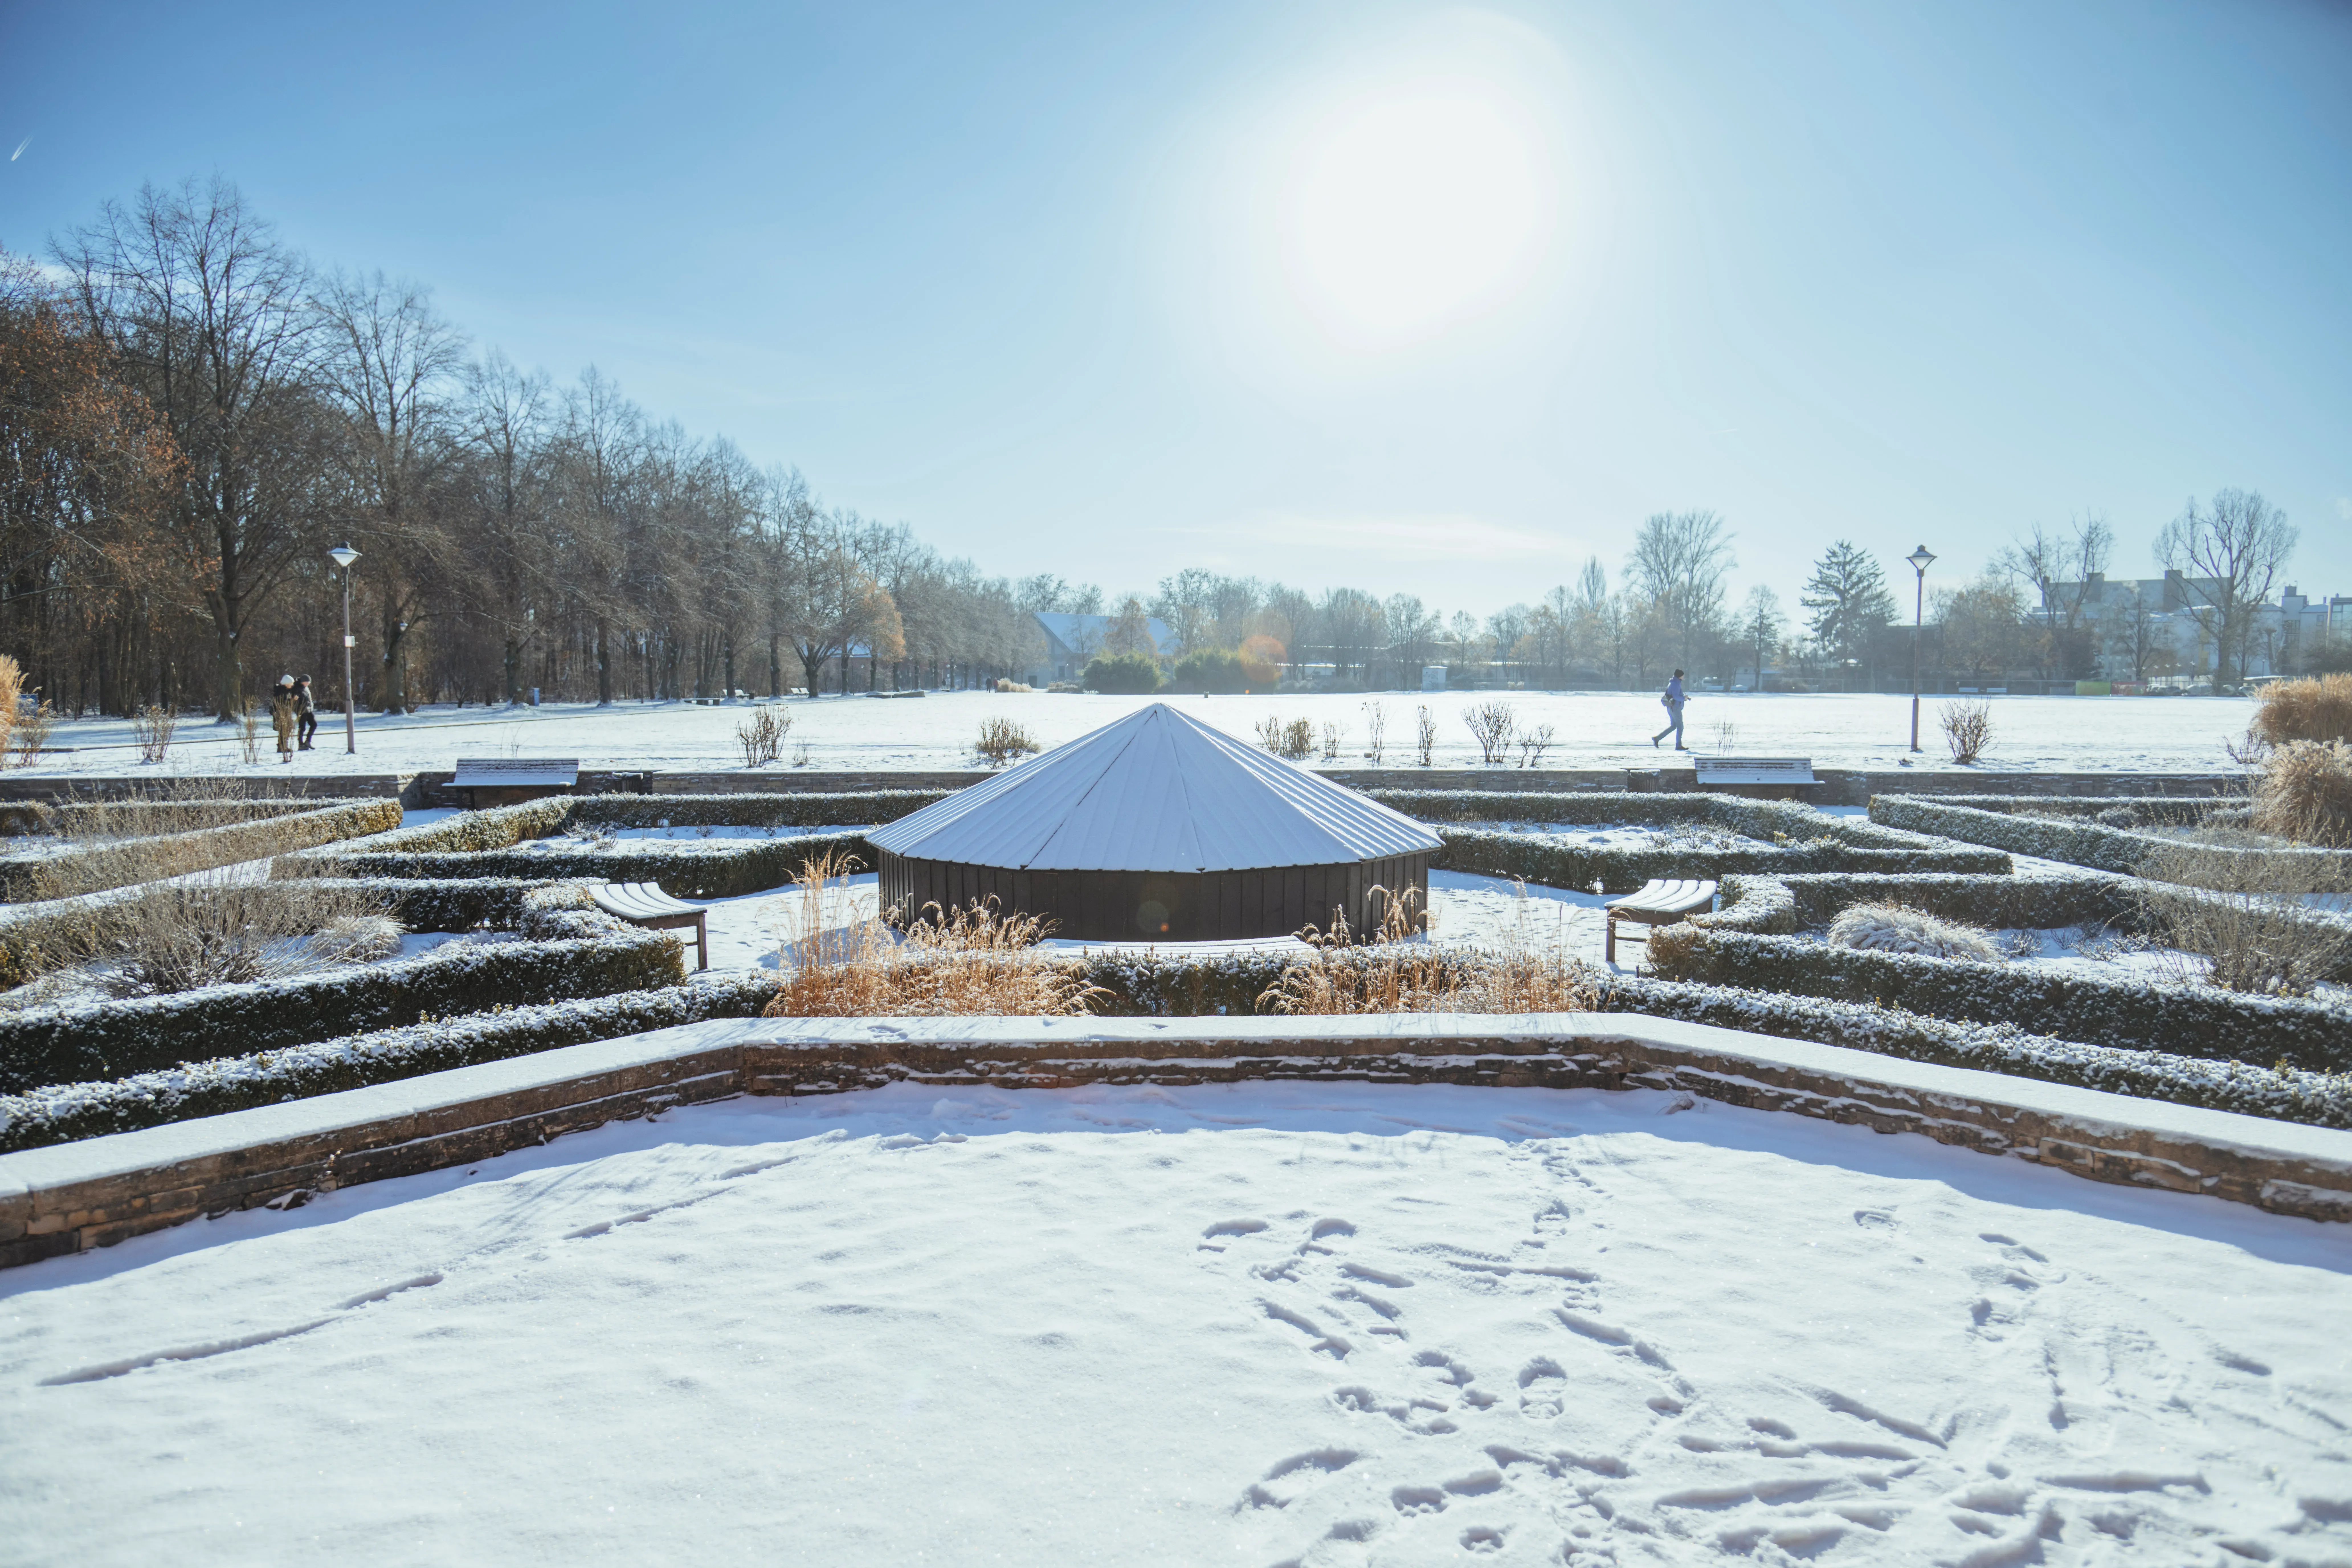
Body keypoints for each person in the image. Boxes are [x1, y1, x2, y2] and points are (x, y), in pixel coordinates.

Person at [1651, 668, 1688, 750]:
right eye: (1683, 675)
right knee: (1680, 727)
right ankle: (1679, 745)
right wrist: (1684, 698)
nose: (1684, 677)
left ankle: (1657, 739)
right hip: (1675, 708)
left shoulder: (1673, 683)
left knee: (1674, 726)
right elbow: (1676, 697)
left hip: (1671, 708)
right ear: (1680, 676)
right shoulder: (1676, 684)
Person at [269, 675, 298, 764]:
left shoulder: (285, 691)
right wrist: (293, 700)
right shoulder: (281, 692)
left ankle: (283, 745)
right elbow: (282, 703)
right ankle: (282, 746)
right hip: (282, 714)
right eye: (291, 683)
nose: (292, 685)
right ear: (287, 683)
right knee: (284, 730)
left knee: (287, 729)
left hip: (285, 713)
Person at [294, 674, 318, 750]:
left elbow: (309, 699)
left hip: (308, 710)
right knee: (302, 728)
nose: (309, 684)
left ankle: (308, 741)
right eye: (308, 682)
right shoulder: (297, 688)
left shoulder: (306, 688)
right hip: (302, 711)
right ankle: (301, 744)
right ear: (303, 682)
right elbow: (296, 699)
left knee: (314, 725)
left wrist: (311, 707)